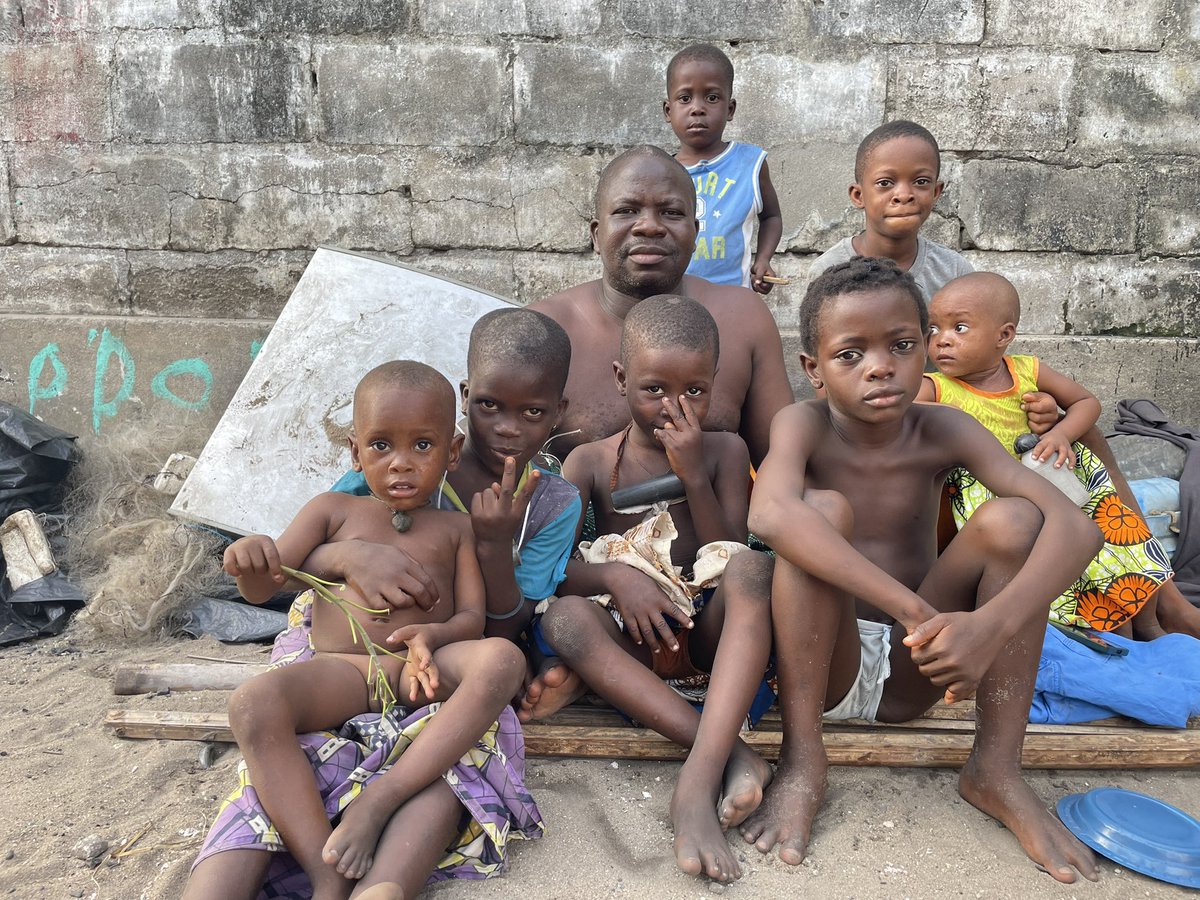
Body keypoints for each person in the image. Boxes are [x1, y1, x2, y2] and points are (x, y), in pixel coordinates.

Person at [741, 257, 1103, 884]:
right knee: (815, 514)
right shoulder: (800, 423)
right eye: (850, 355)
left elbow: (1078, 526)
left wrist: (988, 627)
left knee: (1015, 522)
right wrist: (917, 610)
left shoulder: (944, 427)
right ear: (814, 371)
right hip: (826, 662)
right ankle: (803, 762)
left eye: (902, 346)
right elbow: (770, 516)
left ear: (926, 352)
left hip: (921, 670)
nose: (880, 367)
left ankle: (995, 769)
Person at [185, 361, 531, 900]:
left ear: (452, 452)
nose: (401, 464)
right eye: (380, 446)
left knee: (503, 661)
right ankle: (325, 874)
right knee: (253, 704)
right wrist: (251, 562)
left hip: (420, 675)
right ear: (354, 452)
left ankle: (383, 796)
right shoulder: (332, 511)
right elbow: (270, 583)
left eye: (422, 446)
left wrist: (431, 638)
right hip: (339, 673)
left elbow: (472, 618)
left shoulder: (458, 529)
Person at [529, 295, 774, 883]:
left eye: (695, 390)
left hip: (709, 633)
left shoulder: (726, 451)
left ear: (714, 382)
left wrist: (694, 475)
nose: (675, 406)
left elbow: (726, 550)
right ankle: (732, 753)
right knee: (563, 618)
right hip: (633, 636)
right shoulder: (587, 462)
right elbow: (555, 569)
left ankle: (696, 781)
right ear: (620, 379)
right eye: (654, 389)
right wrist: (616, 576)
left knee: (753, 572)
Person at [919, 272, 1196, 638]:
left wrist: (1061, 432)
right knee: (1046, 552)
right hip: (994, 501)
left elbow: (1086, 402)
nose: (942, 341)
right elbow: (898, 424)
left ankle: (1146, 616)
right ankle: (1094, 626)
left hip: (1053, 480)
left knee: (1104, 525)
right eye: (934, 329)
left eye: (960, 328)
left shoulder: (1026, 370)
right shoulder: (934, 388)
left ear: (1004, 335)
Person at [298, 309, 582, 646]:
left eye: (533, 411)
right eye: (488, 404)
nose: (507, 428)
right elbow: (295, 563)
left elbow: (506, 629)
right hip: (355, 643)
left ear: (559, 412)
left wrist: (494, 546)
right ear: (465, 397)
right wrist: (348, 556)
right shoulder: (397, 469)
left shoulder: (554, 506)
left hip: (455, 651)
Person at [528, 144, 794, 468]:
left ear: (695, 233)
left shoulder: (744, 320)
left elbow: (782, 470)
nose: (649, 226)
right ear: (597, 236)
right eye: (627, 210)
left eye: (671, 212)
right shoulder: (543, 332)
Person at [807, 120, 973, 302]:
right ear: (858, 195)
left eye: (921, 182)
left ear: (935, 192)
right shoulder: (828, 270)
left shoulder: (954, 272)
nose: (904, 195)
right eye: (885, 183)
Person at [663, 44, 783, 293]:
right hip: (671, 299)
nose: (698, 108)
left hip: (732, 299)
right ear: (668, 110)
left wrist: (763, 260)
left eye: (712, 97)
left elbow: (771, 217)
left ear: (730, 109)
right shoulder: (661, 171)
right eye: (685, 98)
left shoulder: (750, 163)